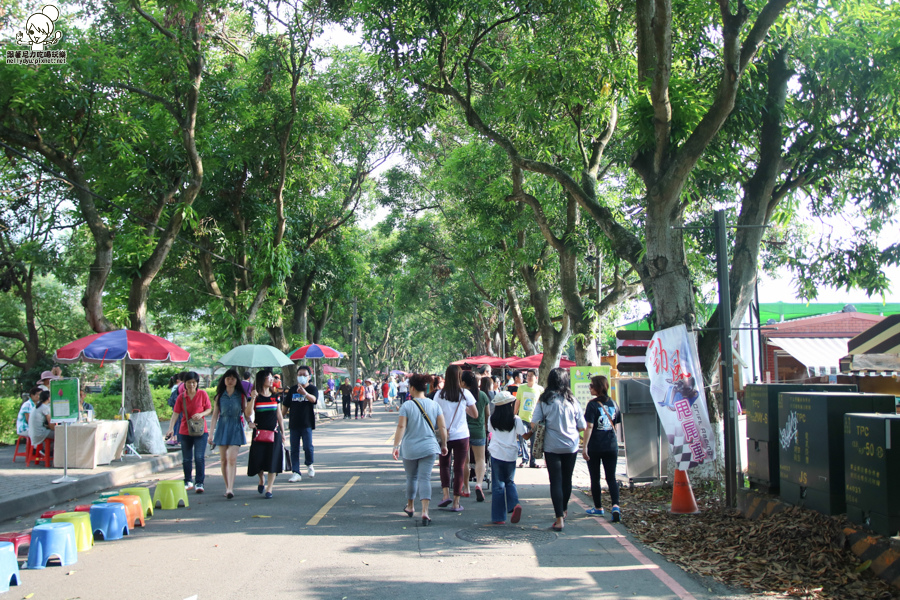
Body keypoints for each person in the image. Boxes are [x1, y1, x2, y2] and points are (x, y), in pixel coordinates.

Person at [526, 367, 585, 532]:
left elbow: (534, 423)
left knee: (555, 481)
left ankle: (559, 518)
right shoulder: (573, 400)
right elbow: (582, 426)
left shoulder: (544, 400)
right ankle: (564, 509)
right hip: (571, 446)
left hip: (551, 446)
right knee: (567, 479)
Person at [391, 373, 448, 525]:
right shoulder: (435, 405)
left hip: (409, 448)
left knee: (411, 477)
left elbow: (401, 426)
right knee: (425, 478)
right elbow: (442, 426)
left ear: (413, 388)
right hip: (429, 447)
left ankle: (410, 506)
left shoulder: (407, 405)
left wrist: (396, 446)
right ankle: (425, 511)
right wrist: (444, 444)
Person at [434, 365, 478, 511]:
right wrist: (463, 408)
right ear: (460, 377)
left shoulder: (439, 394)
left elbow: (434, 414)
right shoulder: (465, 394)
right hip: (462, 435)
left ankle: (446, 495)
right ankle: (456, 502)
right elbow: (475, 414)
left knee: (444, 465)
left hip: (444, 435)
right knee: (459, 467)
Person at [583, 375, 622, 522]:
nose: (590, 388)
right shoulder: (613, 403)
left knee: (595, 477)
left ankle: (598, 507)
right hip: (611, 445)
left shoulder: (592, 405)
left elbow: (590, 426)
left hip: (595, 446)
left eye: (592, 385)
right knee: (611, 477)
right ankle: (616, 506)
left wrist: (584, 446)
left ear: (599, 387)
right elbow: (616, 422)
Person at [166, 371, 212, 493]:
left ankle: (199, 482)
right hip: (185, 430)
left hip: (201, 431)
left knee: (199, 457)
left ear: (197, 383)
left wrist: (201, 414)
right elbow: (175, 413)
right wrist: (170, 428)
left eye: (194, 382)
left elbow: (209, 409)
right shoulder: (181, 397)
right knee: (186, 458)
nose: (191, 385)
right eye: (189, 383)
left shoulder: (202, 394)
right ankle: (187, 481)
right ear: (184, 384)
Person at [247, 369, 287, 498]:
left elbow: (279, 415)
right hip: (259, 433)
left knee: (273, 461)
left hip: (274, 432)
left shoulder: (276, 396)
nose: (271, 380)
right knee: (257, 459)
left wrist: (283, 432)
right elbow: (248, 413)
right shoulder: (255, 396)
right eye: (269, 378)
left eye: (272, 378)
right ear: (261, 379)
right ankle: (261, 479)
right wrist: (252, 398)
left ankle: (269, 488)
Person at [210, 369, 249, 499]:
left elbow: (246, 412)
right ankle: (227, 486)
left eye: (233, 378)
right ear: (224, 380)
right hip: (222, 427)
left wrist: (250, 422)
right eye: (228, 378)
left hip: (236, 427)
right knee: (223, 460)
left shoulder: (241, 396)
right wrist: (211, 434)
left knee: (232, 458)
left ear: (237, 380)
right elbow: (215, 416)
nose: (230, 380)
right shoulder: (219, 396)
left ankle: (230, 488)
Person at [487, 391, 526, 524]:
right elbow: (523, 434)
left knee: (498, 485)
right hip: (511, 454)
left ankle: (498, 518)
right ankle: (515, 504)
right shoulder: (516, 419)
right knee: (510, 481)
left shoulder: (492, 418)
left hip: (496, 453)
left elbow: (490, 430)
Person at [284, 364, 318, 482]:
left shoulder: (312, 389)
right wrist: (279, 419)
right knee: (294, 449)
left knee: (308, 447)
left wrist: (305, 394)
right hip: (294, 424)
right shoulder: (293, 390)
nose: (302, 377)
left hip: (307, 423)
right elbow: (285, 406)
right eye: (299, 375)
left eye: (304, 375)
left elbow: (314, 400)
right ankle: (296, 472)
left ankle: (309, 464)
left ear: (309, 377)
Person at [462, 370, 488, 502]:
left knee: (465, 461)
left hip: (464, 431)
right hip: (479, 431)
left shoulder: (461, 395)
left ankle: (466, 488)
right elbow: (487, 414)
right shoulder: (482, 395)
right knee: (480, 459)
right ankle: (479, 483)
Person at [515, 369, 544, 468]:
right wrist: (514, 415)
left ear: (536, 378)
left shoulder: (540, 389)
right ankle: (524, 459)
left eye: (531, 375)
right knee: (522, 438)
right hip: (522, 418)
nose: (529, 377)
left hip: (534, 419)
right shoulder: (521, 388)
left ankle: (533, 461)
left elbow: (541, 405)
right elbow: (517, 402)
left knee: (534, 441)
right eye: (528, 375)